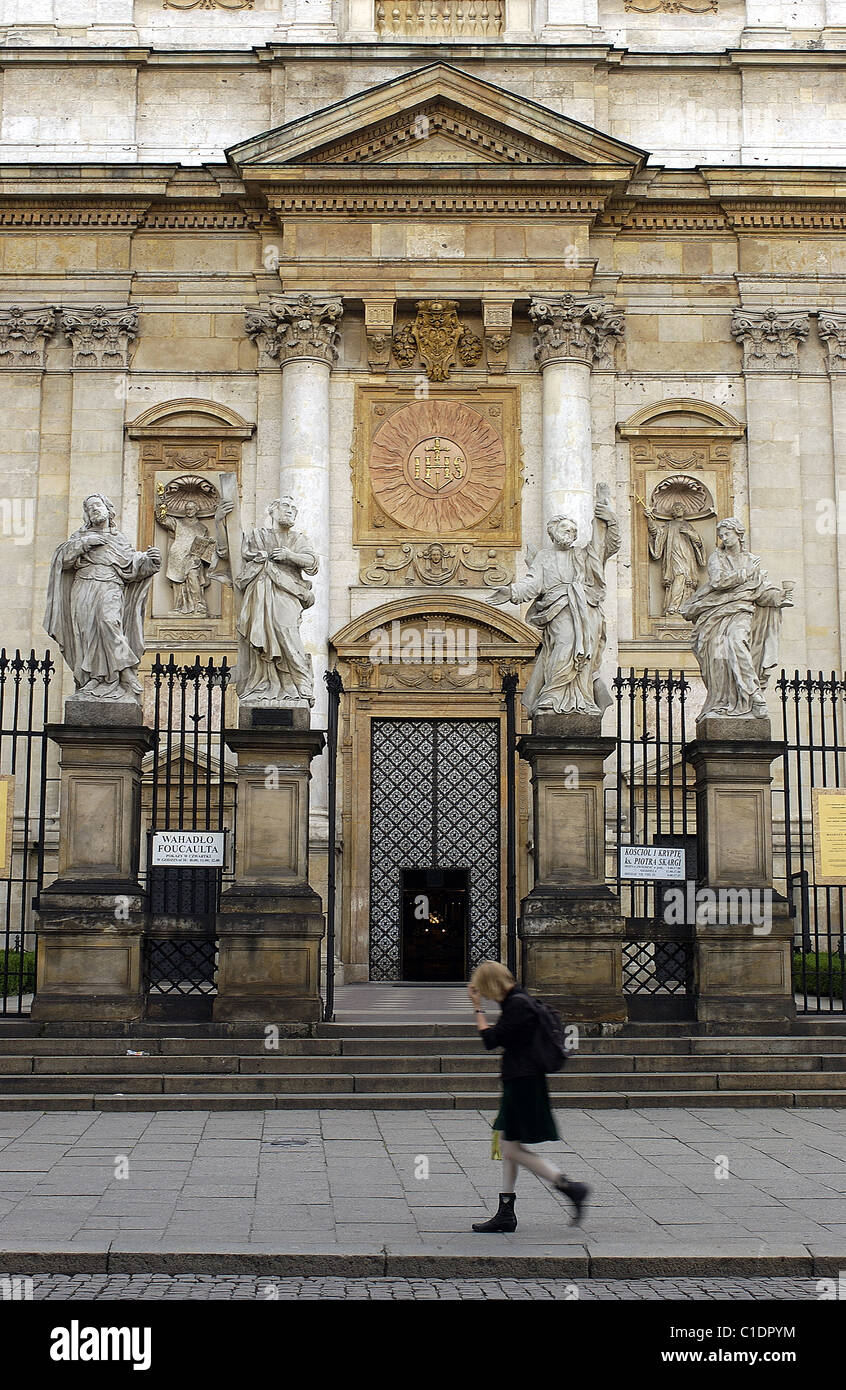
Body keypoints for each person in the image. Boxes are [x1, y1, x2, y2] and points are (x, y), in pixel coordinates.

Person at [467, 960, 589, 1233]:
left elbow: (490, 1039)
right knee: (508, 1146)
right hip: (521, 1080)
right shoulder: (518, 1000)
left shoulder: (517, 1004)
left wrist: (477, 1008)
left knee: (510, 1149)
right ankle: (506, 1213)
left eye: (484, 989)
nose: (485, 995)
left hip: (523, 1082)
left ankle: (569, 1186)